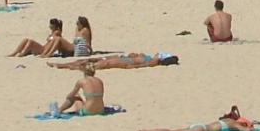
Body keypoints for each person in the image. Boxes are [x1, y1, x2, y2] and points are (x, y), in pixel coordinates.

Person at [136, 106, 255, 131]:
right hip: (202, 130)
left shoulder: (226, 121)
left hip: (200, 126)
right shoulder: (233, 123)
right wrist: (251, 127)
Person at [10, 18, 74, 57]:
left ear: (54, 26)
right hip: (43, 47)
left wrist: (59, 26)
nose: (50, 26)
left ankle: (22, 53)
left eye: (51, 25)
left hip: (43, 50)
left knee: (31, 41)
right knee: (25, 39)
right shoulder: (52, 33)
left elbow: (59, 32)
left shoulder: (57, 33)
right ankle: (15, 52)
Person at [49, 52, 178, 70]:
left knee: (95, 64)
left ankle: (63, 66)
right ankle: (64, 65)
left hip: (126, 62)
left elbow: (141, 65)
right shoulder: (151, 57)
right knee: (91, 59)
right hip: (124, 58)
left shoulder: (154, 61)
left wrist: (129, 65)